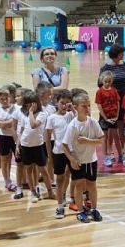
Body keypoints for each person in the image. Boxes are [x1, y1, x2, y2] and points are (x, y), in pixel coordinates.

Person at [62, 93, 104, 222]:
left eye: (89, 106)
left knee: (92, 185)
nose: (87, 109)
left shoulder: (93, 122)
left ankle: (94, 209)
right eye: (84, 106)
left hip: (91, 160)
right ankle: (80, 211)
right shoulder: (72, 126)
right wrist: (72, 160)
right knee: (79, 185)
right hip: (78, 161)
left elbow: (101, 140)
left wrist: (87, 141)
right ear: (75, 107)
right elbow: (64, 145)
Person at [15, 90, 53, 202]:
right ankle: (33, 192)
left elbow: (33, 125)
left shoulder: (42, 114)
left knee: (43, 169)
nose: (28, 108)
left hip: (38, 146)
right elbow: (21, 131)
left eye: (31, 105)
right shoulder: (25, 115)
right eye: (27, 106)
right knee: (29, 170)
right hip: (25, 146)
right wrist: (17, 145)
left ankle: (50, 192)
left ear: (36, 103)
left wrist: (31, 112)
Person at [98, 44, 125, 163]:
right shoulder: (105, 68)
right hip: (110, 102)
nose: (123, 55)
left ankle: (123, 152)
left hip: (123, 100)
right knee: (110, 130)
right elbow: (100, 84)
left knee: (121, 127)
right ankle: (110, 151)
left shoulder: (124, 65)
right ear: (116, 54)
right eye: (122, 53)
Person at [47, 91, 75, 219]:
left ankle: (70, 198)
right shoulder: (52, 118)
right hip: (58, 152)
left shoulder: (71, 115)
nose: (64, 105)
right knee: (59, 178)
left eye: (66, 103)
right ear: (56, 102)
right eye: (62, 103)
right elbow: (48, 137)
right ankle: (59, 206)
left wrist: (72, 108)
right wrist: (49, 155)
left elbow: (81, 119)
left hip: (72, 151)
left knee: (73, 176)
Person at [0, 85, 18, 190]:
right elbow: (1, 125)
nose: (4, 101)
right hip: (4, 137)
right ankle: (7, 181)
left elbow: (16, 121)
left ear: (10, 97)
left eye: (6, 98)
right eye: (2, 99)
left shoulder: (16, 107)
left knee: (19, 160)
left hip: (15, 137)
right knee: (4, 159)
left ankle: (21, 181)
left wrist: (7, 122)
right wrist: (11, 122)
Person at [95, 71, 121, 167]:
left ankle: (121, 155)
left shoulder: (114, 90)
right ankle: (106, 157)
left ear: (112, 81)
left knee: (116, 137)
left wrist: (117, 115)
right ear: (102, 81)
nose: (107, 83)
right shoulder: (99, 92)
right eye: (105, 81)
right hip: (104, 118)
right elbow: (99, 105)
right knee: (104, 138)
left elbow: (117, 103)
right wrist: (105, 118)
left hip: (113, 117)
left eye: (109, 81)